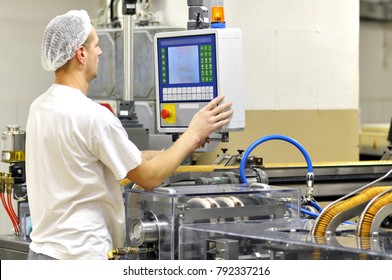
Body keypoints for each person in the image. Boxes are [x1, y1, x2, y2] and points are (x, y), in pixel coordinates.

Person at [25, 10, 233, 260]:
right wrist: (192, 134)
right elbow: (149, 177)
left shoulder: (40, 106)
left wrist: (174, 151)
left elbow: (99, 157)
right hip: (79, 258)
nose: (100, 52)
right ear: (81, 54)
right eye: (96, 45)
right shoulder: (93, 116)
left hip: (41, 254)